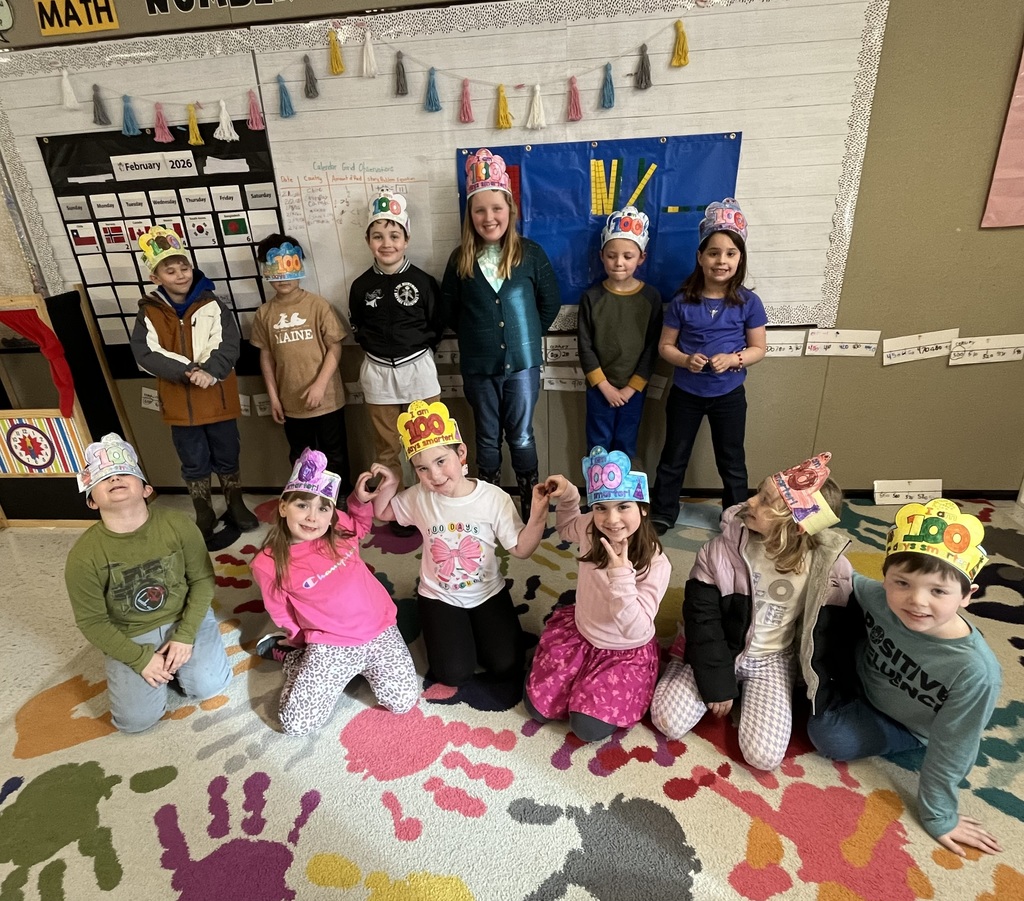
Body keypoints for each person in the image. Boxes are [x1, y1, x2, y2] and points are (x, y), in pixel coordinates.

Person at [807, 499, 1003, 857]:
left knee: (830, 737)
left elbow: (954, 745)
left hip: (909, 727)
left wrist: (940, 815)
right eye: (902, 583)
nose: (916, 601)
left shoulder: (976, 672)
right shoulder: (882, 597)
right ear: (886, 579)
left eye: (938, 591)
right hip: (862, 683)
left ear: (967, 596)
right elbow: (840, 570)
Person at [650, 453, 852, 771]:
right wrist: (715, 681)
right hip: (718, 645)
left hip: (771, 659)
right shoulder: (719, 550)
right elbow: (702, 618)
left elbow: (832, 633)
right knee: (667, 721)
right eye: (758, 492)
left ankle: (755, 692)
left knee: (763, 756)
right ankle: (682, 662)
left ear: (796, 528)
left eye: (765, 500)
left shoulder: (830, 568)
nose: (750, 502)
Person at [372, 399, 548, 691]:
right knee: (453, 673)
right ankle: (442, 624)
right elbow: (383, 512)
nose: (435, 476)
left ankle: (475, 630)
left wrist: (539, 514)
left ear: (461, 453)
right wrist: (390, 482)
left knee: (506, 665)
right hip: (439, 596)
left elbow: (521, 548)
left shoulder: (494, 498)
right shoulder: (418, 496)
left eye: (441, 461)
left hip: (488, 591)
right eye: (422, 469)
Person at [64, 433, 232, 734]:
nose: (115, 479)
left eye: (124, 473)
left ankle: (181, 664)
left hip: (184, 615)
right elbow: (91, 621)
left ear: (147, 489)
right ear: (92, 501)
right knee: (135, 722)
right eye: (106, 479)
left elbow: (203, 580)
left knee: (210, 686)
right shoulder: (83, 556)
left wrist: (185, 634)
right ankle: (163, 667)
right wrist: (139, 659)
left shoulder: (178, 525)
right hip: (130, 632)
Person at [249, 448, 418, 734]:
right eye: (302, 505)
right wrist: (303, 644)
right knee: (297, 725)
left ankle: (352, 669)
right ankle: (292, 659)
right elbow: (280, 610)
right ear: (282, 507)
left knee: (402, 701)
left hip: (380, 630)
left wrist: (358, 501)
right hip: (330, 643)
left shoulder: (337, 528)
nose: (312, 517)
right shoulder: (266, 563)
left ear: (331, 514)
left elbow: (361, 525)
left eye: (322, 508)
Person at [441, 148, 561, 520]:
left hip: (523, 367)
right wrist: (480, 337)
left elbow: (550, 302)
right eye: (480, 210)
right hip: (479, 368)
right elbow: (448, 310)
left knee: (522, 435)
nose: (488, 217)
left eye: (496, 208)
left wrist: (525, 339)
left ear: (510, 210)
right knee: (487, 436)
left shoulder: (530, 254)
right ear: (470, 215)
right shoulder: (460, 258)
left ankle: (532, 502)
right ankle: (489, 504)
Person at [524, 447, 670, 742]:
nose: (611, 519)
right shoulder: (591, 528)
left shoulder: (657, 563)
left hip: (623, 652)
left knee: (586, 728)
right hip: (581, 634)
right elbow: (565, 527)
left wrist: (621, 578)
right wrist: (567, 496)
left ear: (643, 507)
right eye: (601, 507)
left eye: (623, 506)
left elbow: (637, 627)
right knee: (539, 709)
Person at [130, 225, 257, 547]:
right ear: (156, 277)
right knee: (193, 458)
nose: (180, 274)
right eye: (169, 271)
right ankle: (203, 510)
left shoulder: (213, 305)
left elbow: (228, 343)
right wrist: (187, 370)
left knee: (228, 452)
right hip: (179, 403)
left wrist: (210, 371)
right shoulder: (149, 312)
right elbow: (146, 354)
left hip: (217, 398)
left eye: (183, 267)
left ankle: (235, 502)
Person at [648, 199, 767, 535]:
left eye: (730, 253)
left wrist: (734, 359)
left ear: (740, 259)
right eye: (714, 252)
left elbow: (759, 348)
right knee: (673, 456)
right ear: (700, 257)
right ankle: (663, 511)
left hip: (729, 394)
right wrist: (686, 360)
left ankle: (737, 515)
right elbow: (664, 347)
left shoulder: (749, 302)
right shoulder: (683, 300)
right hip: (686, 393)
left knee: (731, 460)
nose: (721, 260)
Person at [349, 192, 442, 536]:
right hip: (376, 372)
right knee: (386, 447)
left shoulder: (423, 282)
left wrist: (414, 350)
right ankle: (392, 509)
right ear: (368, 241)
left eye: (394, 235)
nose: (386, 243)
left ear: (406, 239)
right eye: (378, 236)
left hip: (418, 368)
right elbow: (357, 327)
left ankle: (432, 507)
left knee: (429, 444)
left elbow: (436, 325)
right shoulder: (360, 286)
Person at [252, 234, 353, 502]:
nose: (282, 275)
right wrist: (274, 397)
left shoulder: (317, 305)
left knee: (335, 451)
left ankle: (339, 497)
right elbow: (266, 357)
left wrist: (320, 385)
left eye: (289, 265)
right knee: (299, 453)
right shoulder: (264, 313)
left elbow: (335, 346)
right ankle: (307, 496)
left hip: (327, 400)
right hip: (290, 403)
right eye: (274, 268)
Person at [577, 206, 663, 458]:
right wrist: (605, 387)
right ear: (602, 256)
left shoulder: (651, 298)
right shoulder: (591, 297)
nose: (619, 262)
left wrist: (630, 388)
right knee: (597, 446)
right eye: (612, 256)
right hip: (599, 388)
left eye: (628, 256)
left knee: (625, 444)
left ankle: (622, 498)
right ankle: (598, 498)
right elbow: (585, 346)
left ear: (641, 258)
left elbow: (652, 348)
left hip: (633, 390)